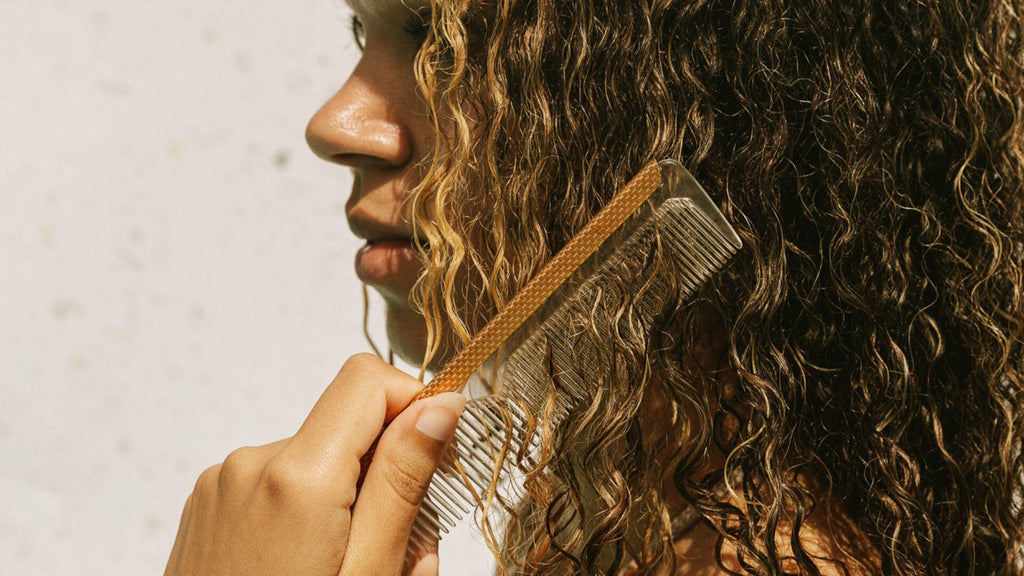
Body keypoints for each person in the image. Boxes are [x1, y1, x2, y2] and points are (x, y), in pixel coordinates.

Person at [165, 0, 1024, 574]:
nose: (335, 124)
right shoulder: (601, 521)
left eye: (440, 43)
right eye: (367, 33)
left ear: (707, 113)